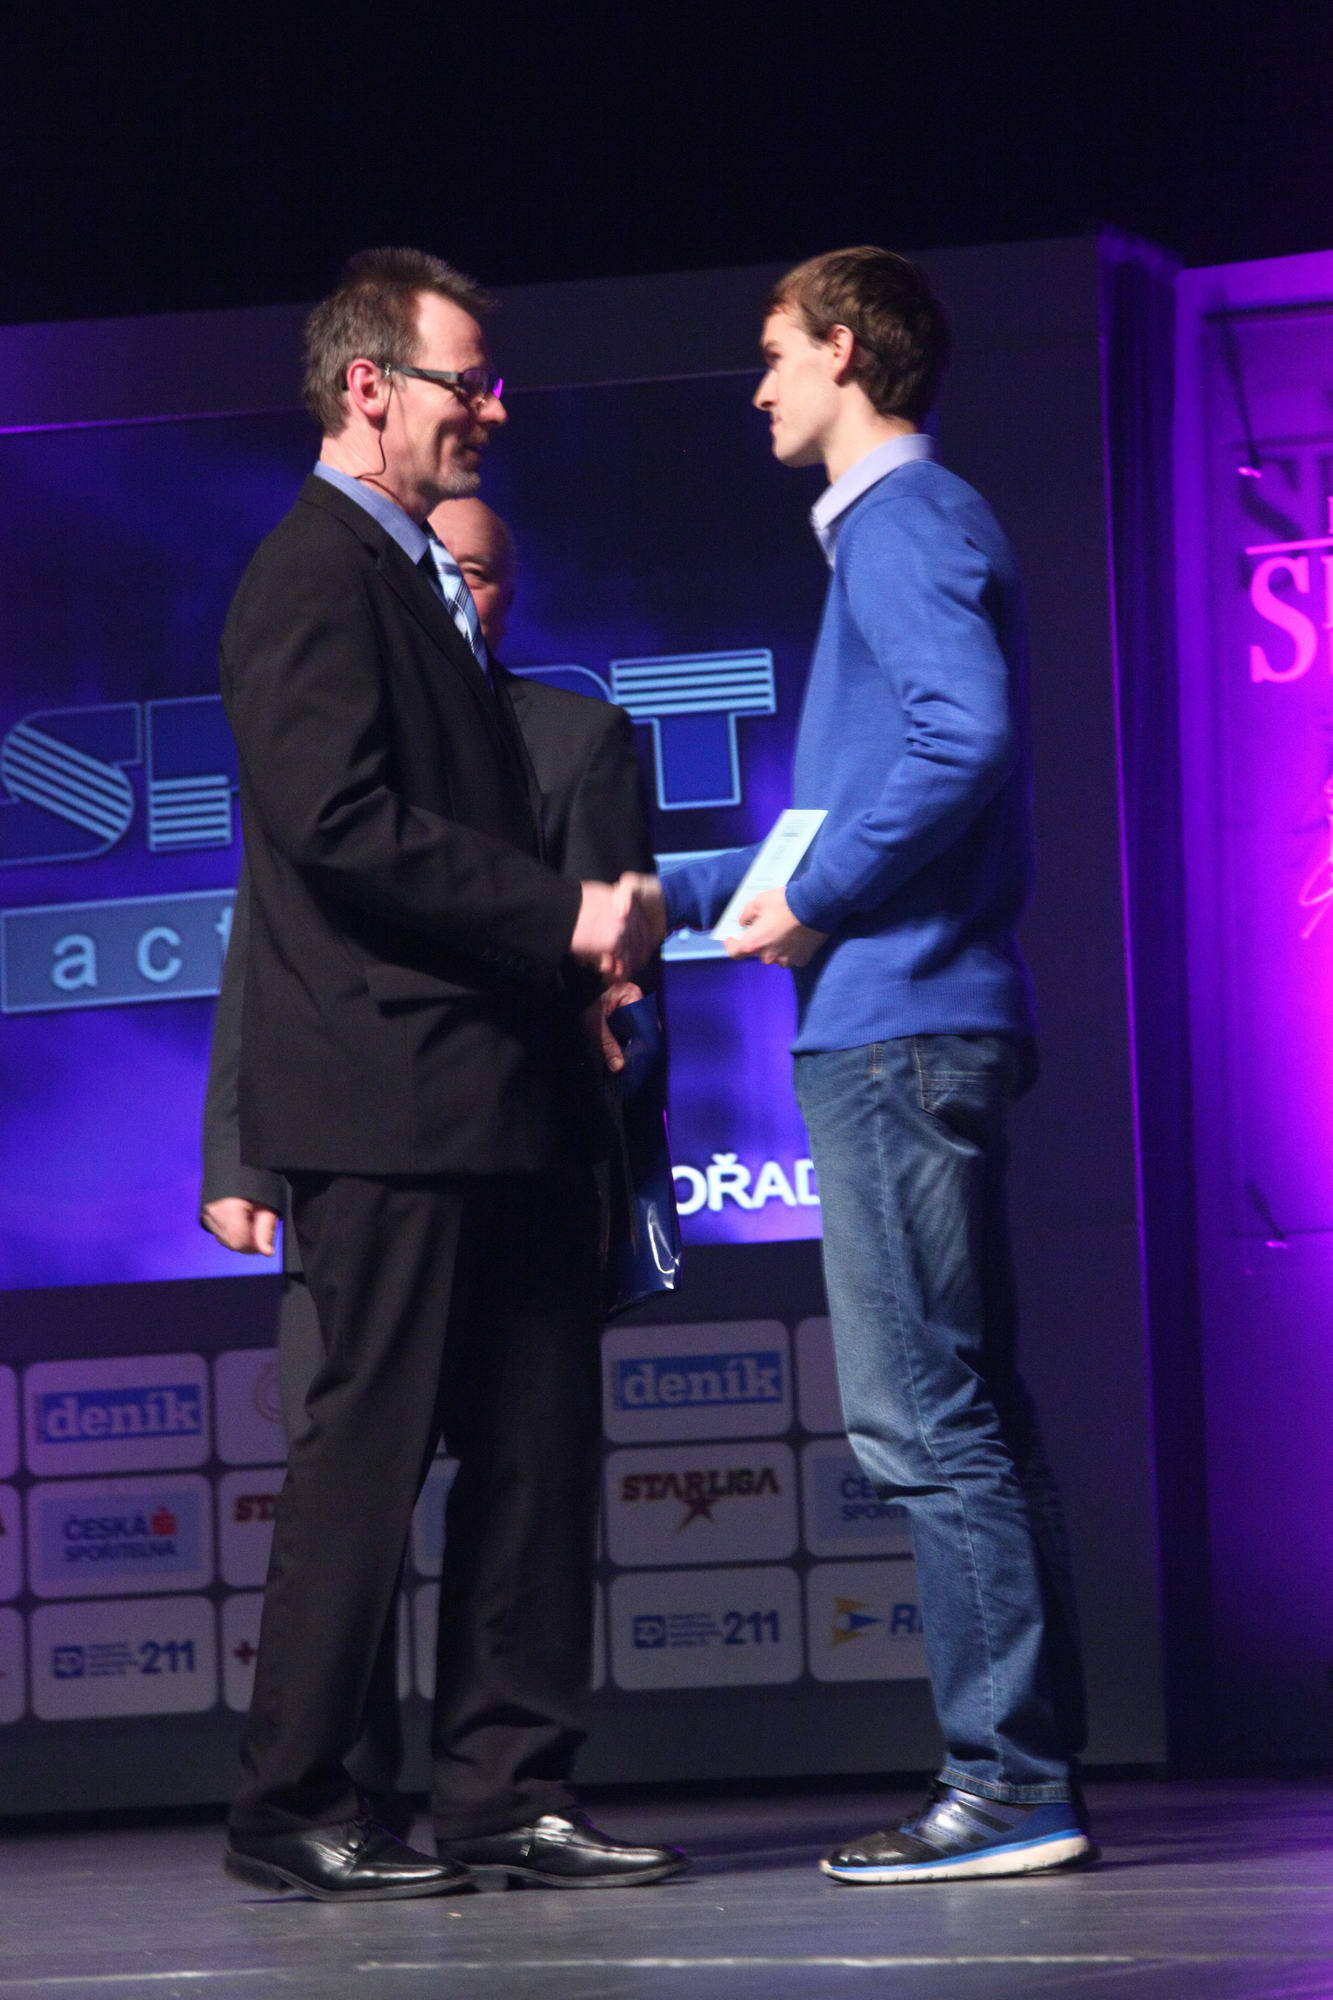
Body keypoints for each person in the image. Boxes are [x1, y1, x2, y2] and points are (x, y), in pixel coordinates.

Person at [217, 246, 678, 1900]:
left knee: (537, 1455)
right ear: (368, 387)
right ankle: (292, 1803)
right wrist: (565, 910)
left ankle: (506, 1792)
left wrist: (581, 979)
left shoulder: (411, 574)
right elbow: (335, 829)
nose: (492, 408)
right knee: (370, 1456)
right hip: (389, 1101)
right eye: (465, 380)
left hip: (507, 1094)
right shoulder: (311, 571)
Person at [636, 247, 1093, 1884]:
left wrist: (816, 896)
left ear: (842, 350)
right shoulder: (896, 531)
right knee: (968, 1416)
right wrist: (673, 894)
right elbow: (841, 816)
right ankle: (1020, 1776)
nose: (759, 386)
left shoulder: (903, 520)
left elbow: (961, 746)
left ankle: (1007, 1786)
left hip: (898, 1027)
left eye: (774, 351)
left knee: (925, 1423)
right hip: (906, 1017)